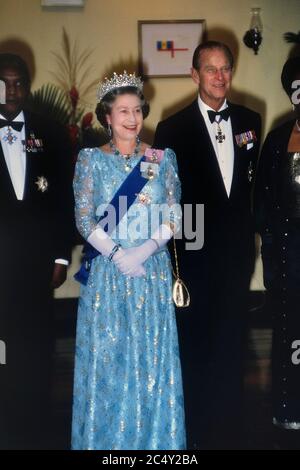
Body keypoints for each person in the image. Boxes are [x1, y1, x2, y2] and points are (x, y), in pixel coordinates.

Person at [154, 41, 262, 449]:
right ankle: (196, 431)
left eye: (225, 69)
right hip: (195, 257)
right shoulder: (172, 128)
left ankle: (231, 426)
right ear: (194, 75)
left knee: (234, 341)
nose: (219, 77)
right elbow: (167, 198)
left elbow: (247, 189)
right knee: (197, 344)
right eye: (210, 69)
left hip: (237, 254)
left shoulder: (252, 120)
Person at [71, 72, 186, 450]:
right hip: (109, 274)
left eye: (137, 110)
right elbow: (84, 218)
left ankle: (155, 445)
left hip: (149, 272)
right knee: (109, 365)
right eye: (123, 111)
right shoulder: (90, 160)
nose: (132, 118)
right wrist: (120, 255)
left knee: (152, 365)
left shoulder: (159, 158)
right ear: (106, 116)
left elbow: (174, 213)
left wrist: (145, 250)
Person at [0, 53, 74, 448]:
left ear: (27, 87)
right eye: (3, 82)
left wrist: (62, 256)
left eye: (18, 82)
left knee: (37, 346)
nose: (11, 90)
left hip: (38, 264)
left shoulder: (51, 132)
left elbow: (64, 198)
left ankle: (36, 425)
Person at [254, 56, 300, 438]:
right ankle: (288, 406)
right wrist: (270, 252)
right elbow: (264, 202)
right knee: (288, 330)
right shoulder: (276, 139)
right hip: (288, 256)